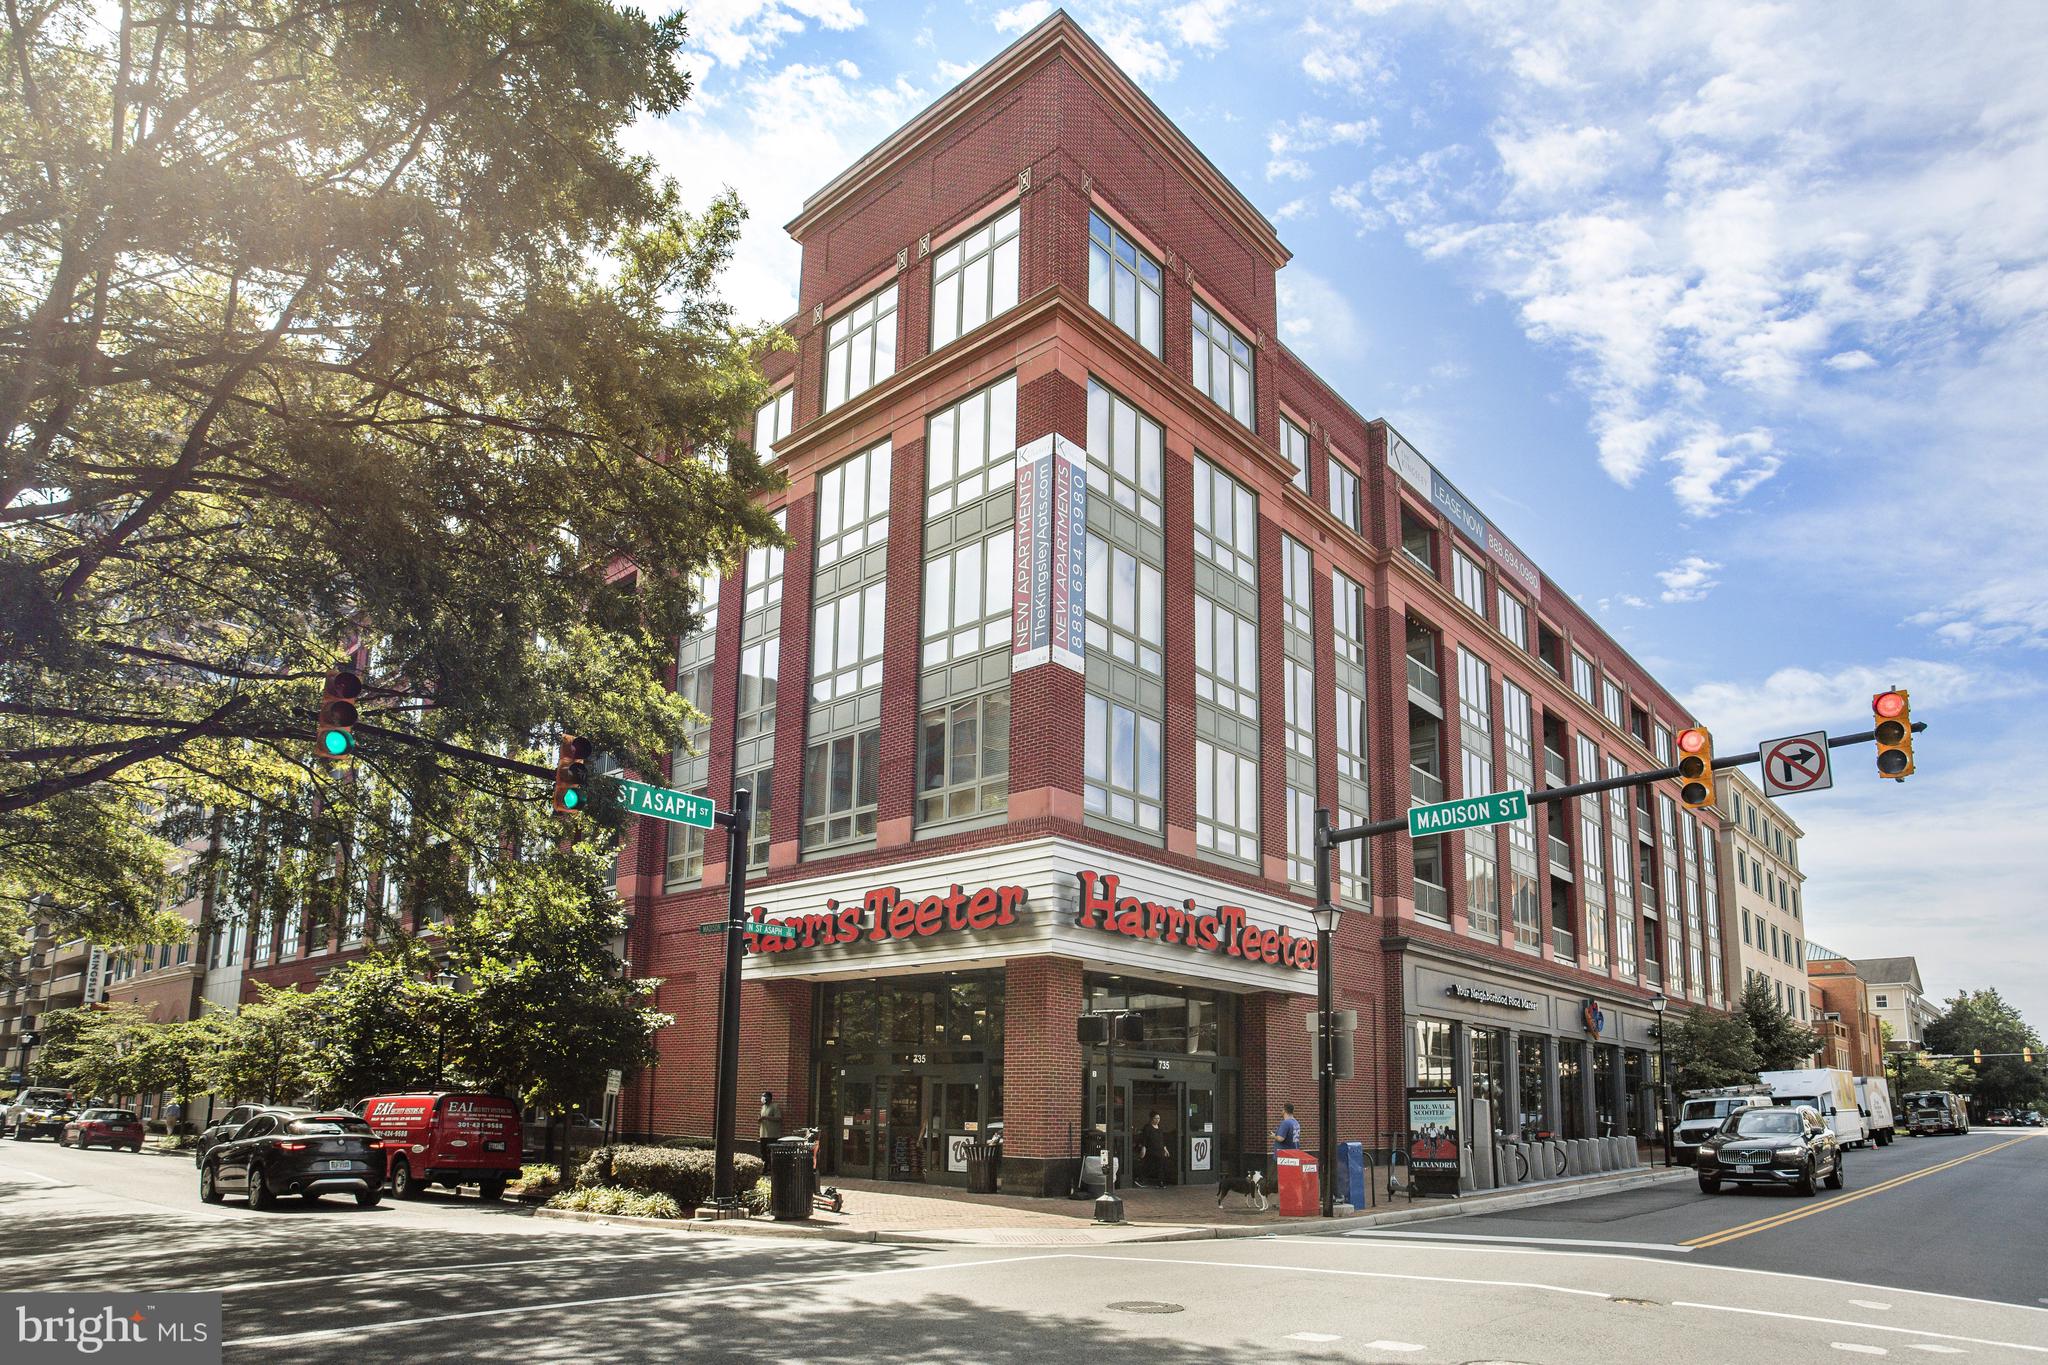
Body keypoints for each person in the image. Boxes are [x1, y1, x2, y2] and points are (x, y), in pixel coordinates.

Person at [1137, 1110, 1174, 1188]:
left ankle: (1160, 1182)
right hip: (1151, 1150)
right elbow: (1145, 1139)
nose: (1157, 1120)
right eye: (1155, 1118)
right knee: (1149, 1166)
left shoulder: (1160, 1128)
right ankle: (1141, 1179)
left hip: (1160, 1150)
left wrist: (1165, 1149)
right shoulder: (1147, 1128)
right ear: (1151, 1119)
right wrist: (1144, 1148)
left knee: (1161, 1166)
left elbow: (1162, 1140)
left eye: (1159, 1118)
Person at [758, 1091, 783, 1161]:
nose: (762, 1098)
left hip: (772, 1134)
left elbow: (779, 1118)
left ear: (769, 1097)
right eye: (762, 1096)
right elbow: (761, 1117)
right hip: (763, 1134)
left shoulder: (775, 1106)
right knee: (763, 1152)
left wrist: (766, 1117)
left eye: (764, 1096)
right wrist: (760, 1119)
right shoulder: (763, 1107)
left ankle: (770, 1168)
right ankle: (764, 1168)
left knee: (770, 1152)